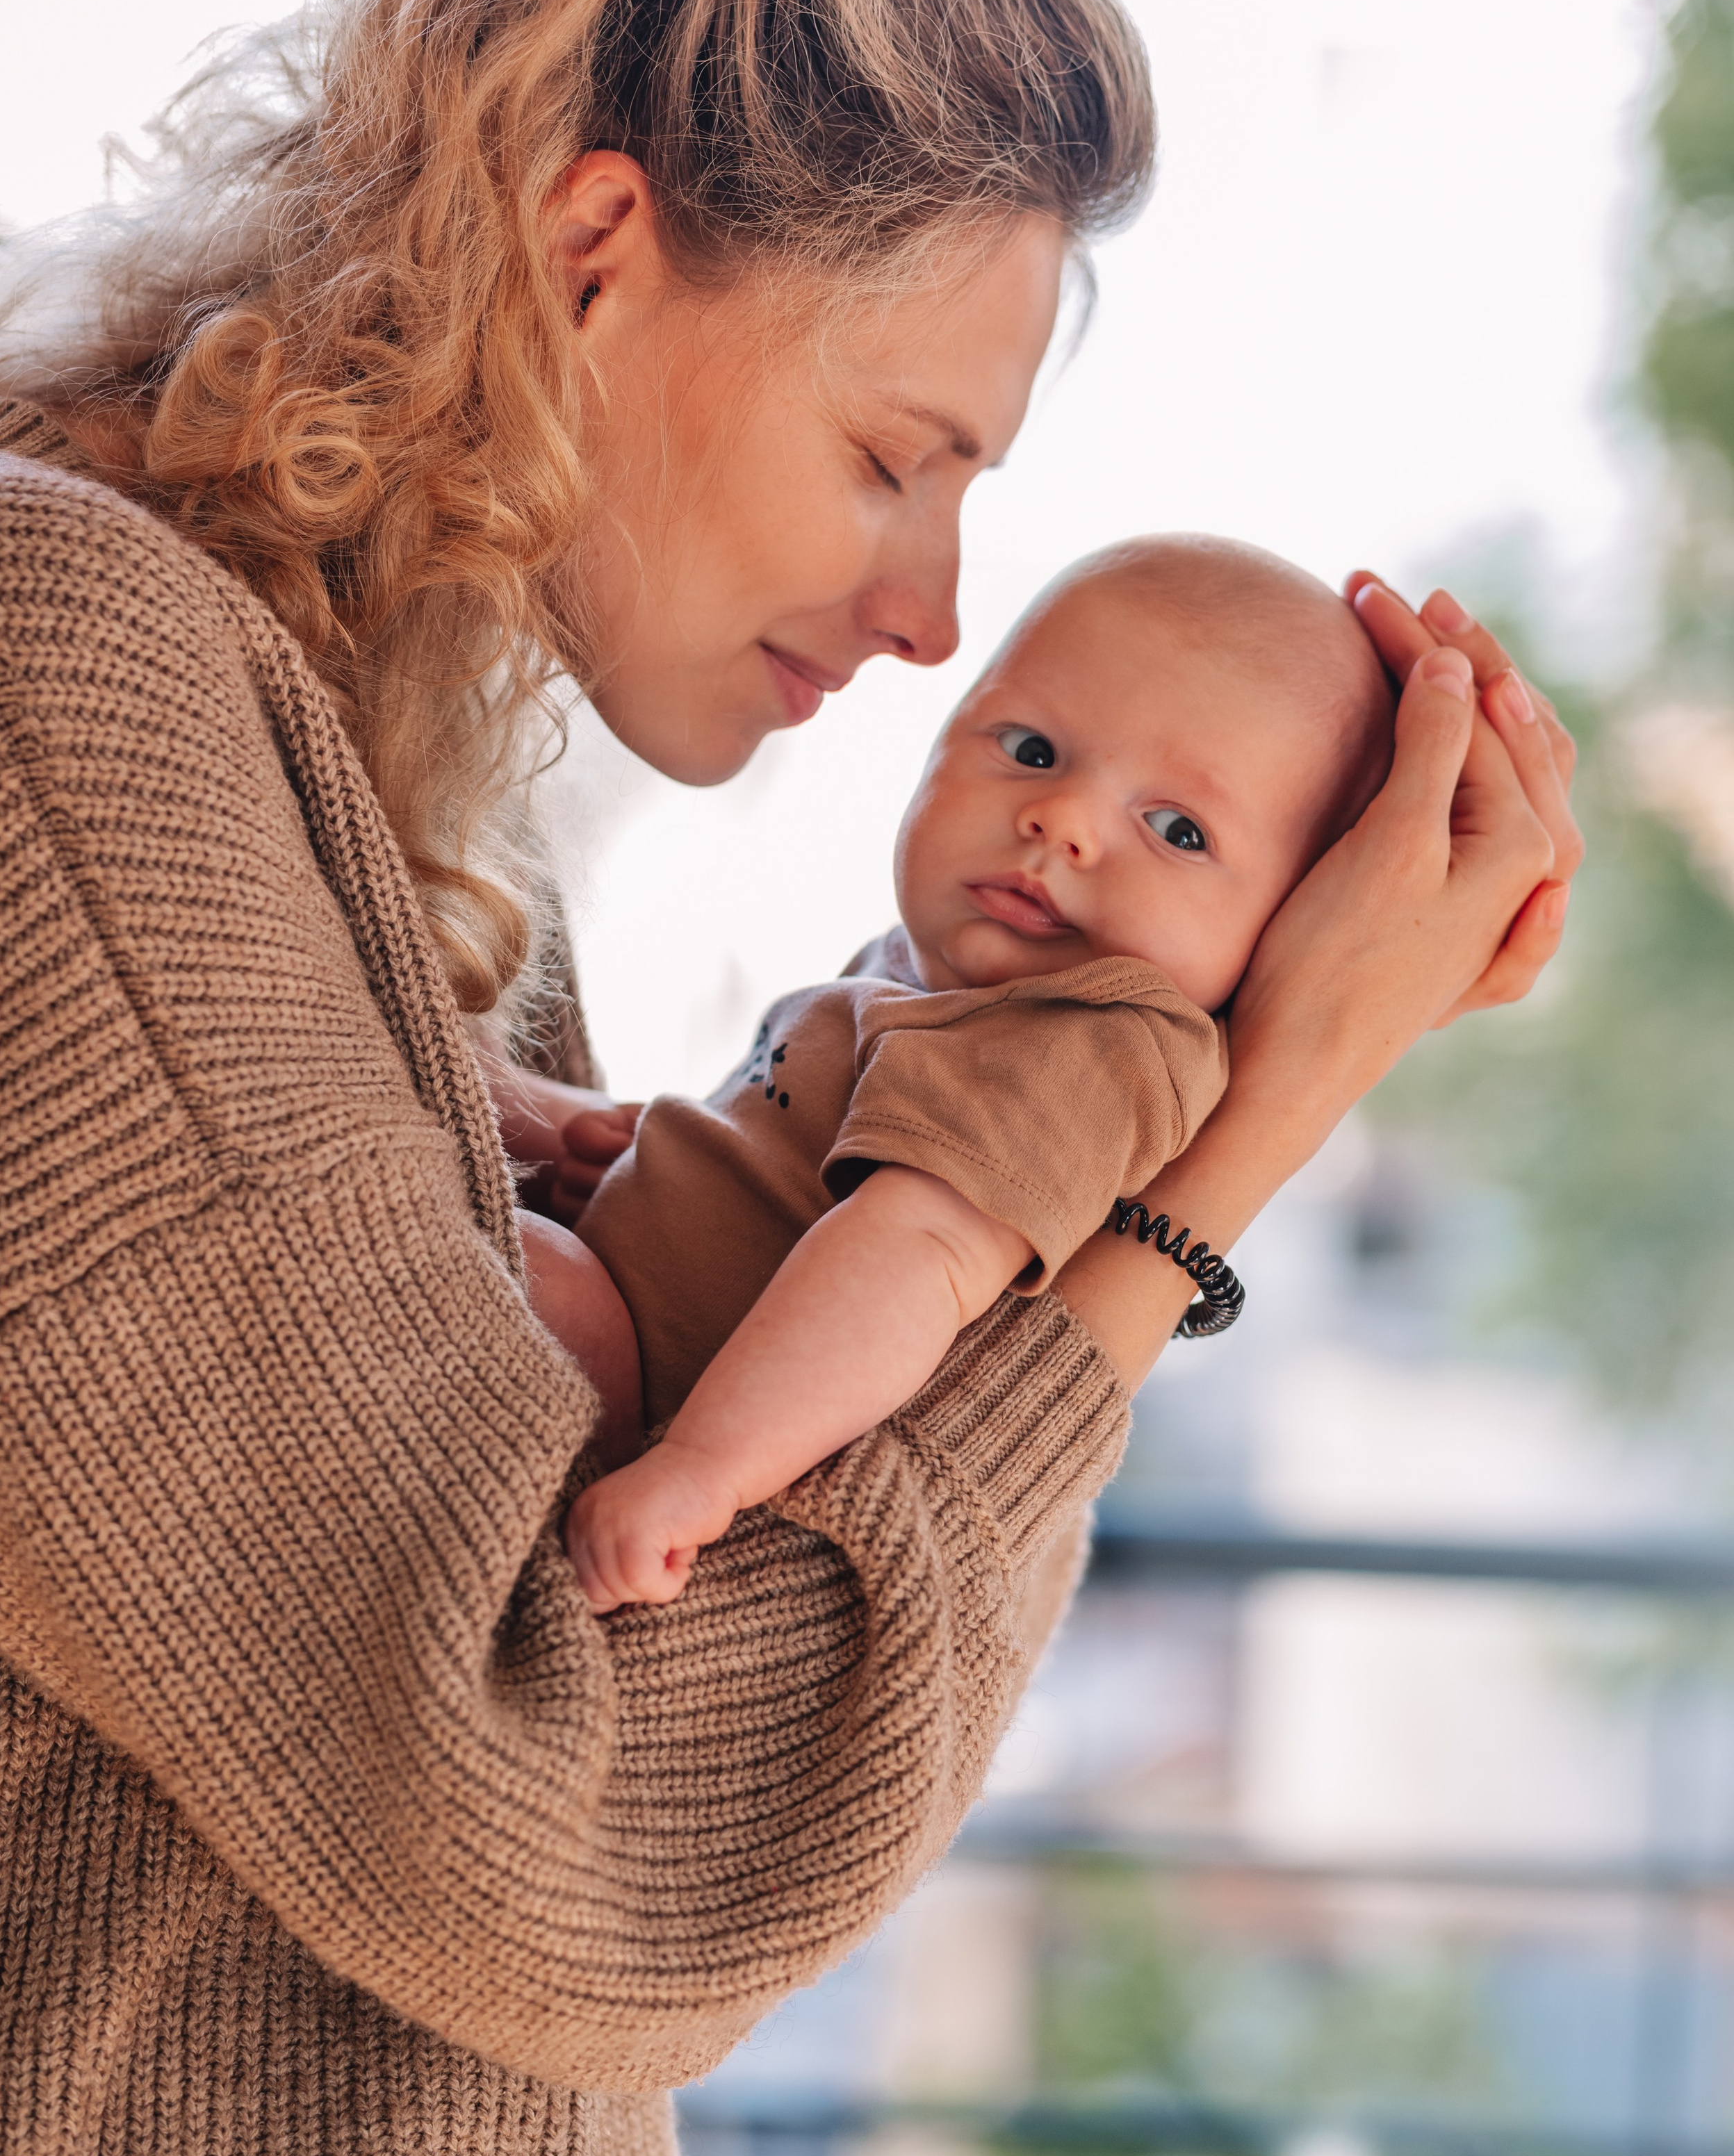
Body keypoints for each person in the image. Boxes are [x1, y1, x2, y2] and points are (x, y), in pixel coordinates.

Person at [0, 0, 1578, 2156]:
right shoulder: (44, 665)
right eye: (894, 457)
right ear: (597, 246)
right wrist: (1217, 1142)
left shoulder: (414, 838)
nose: (936, 617)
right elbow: (581, 1861)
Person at [558, 535, 1396, 1608]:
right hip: (637, 1350)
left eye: (1179, 829)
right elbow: (806, 1167)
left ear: (1290, 929)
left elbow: (918, 1254)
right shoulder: (940, 974)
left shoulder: (1094, 1034)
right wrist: (655, 1164)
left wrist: (702, 1471)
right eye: (1034, 750)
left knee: (505, 1261)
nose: (1064, 820)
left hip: (669, 1420)